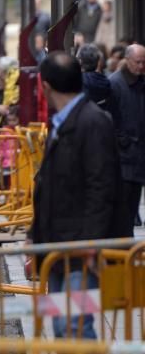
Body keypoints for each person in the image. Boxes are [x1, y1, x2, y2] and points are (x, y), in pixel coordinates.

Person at [34, 51, 121, 340]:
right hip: (58, 245)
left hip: (80, 247)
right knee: (62, 327)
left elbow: (102, 187)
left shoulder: (93, 122)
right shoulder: (62, 122)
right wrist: (35, 236)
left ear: (45, 87)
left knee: (75, 327)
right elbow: (49, 184)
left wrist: (91, 243)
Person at [107, 43, 145, 236]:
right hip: (123, 156)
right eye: (138, 62)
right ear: (128, 60)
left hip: (137, 157)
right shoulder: (115, 83)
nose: (141, 66)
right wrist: (122, 140)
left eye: (144, 63)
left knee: (132, 207)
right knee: (123, 210)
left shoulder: (141, 82)